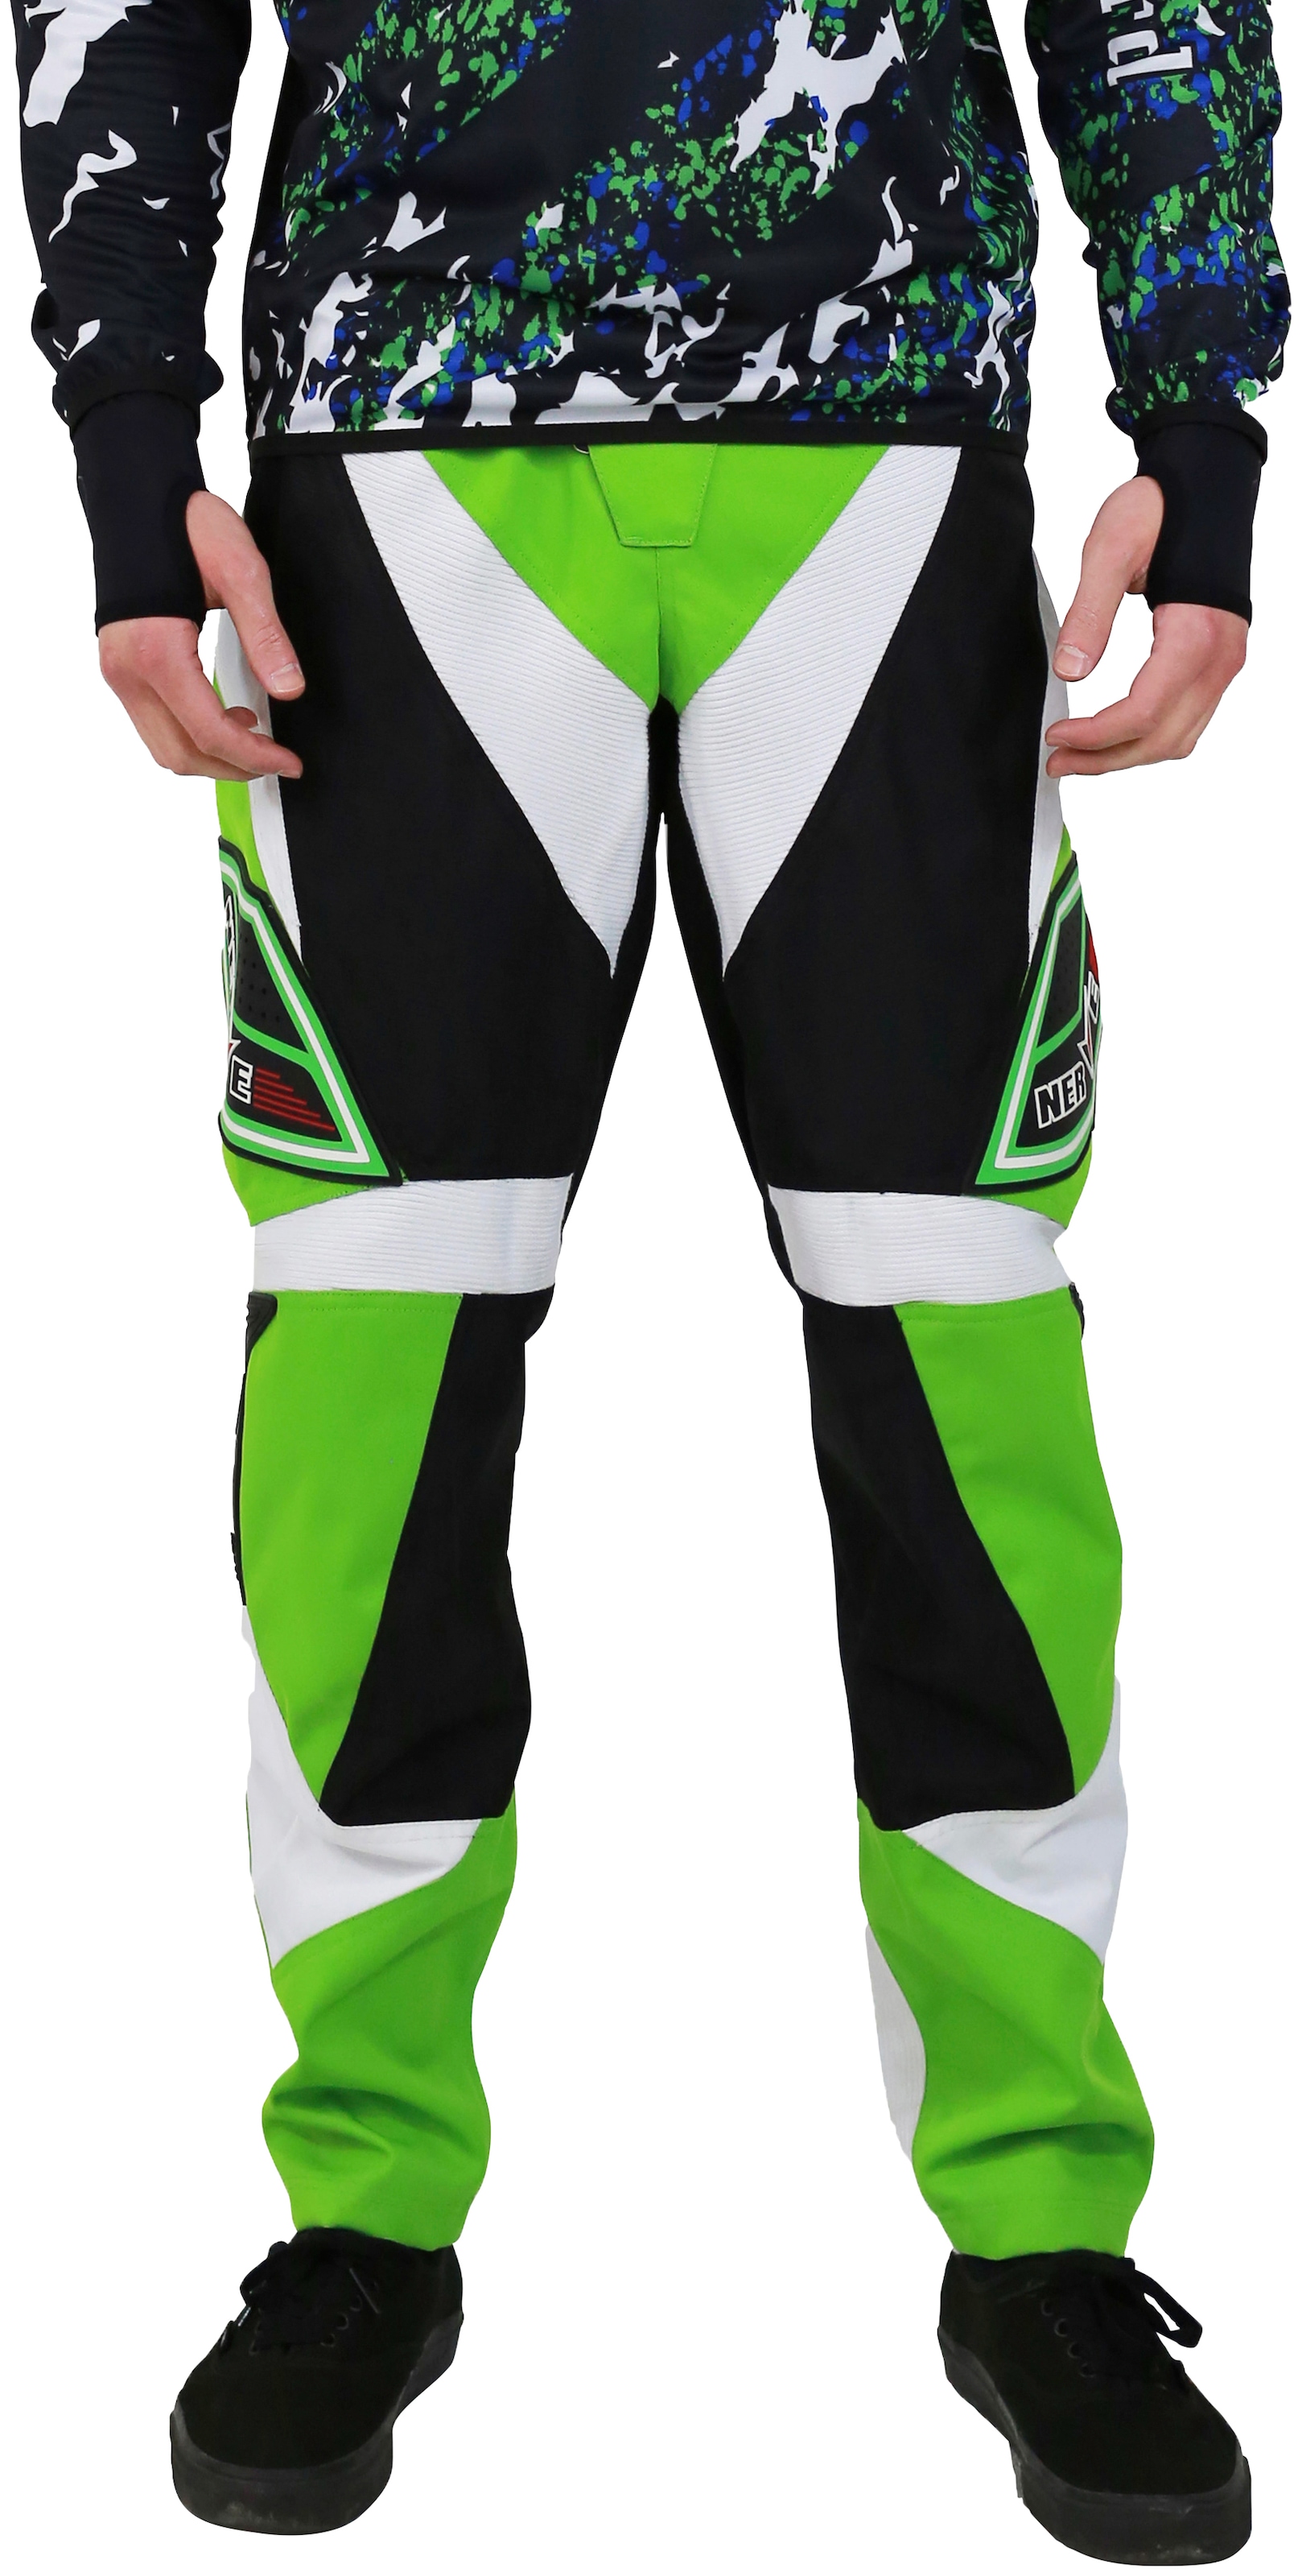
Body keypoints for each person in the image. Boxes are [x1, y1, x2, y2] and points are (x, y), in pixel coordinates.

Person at [13, 1, 1287, 2557]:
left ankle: (1040, 2227)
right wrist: (134, 449)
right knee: (376, 1363)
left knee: (956, 1350)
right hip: (397, 470)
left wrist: (1200, 415)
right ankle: (364, 2202)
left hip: (884, 464)